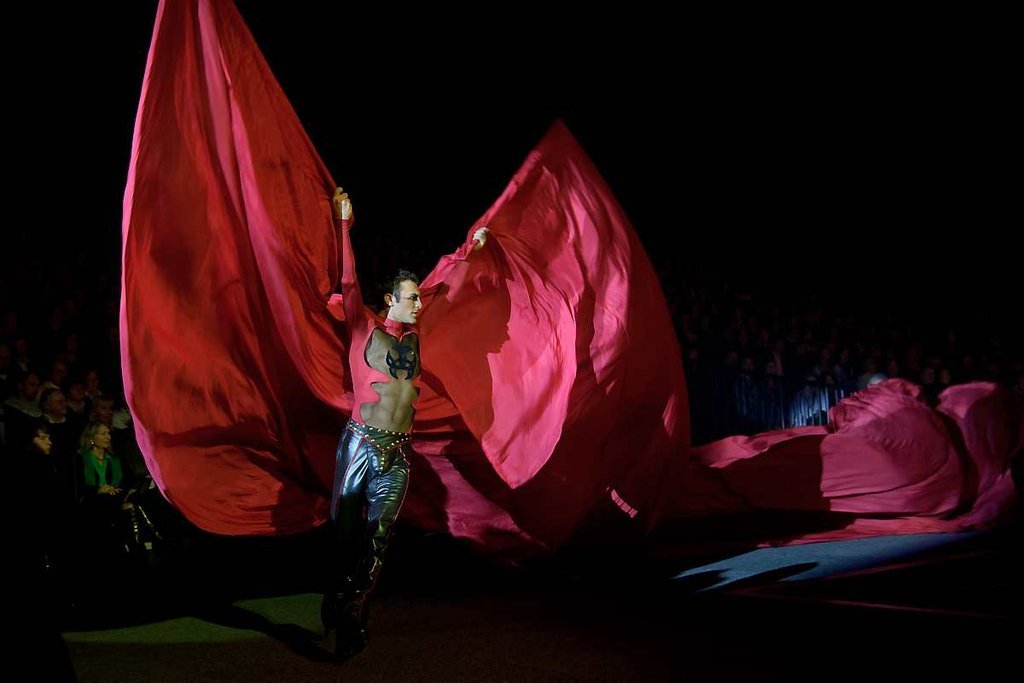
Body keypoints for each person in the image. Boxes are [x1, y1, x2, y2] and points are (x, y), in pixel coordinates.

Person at [323, 187, 487, 658]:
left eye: (417, 298)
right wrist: (343, 224)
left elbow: (447, 286)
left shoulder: (415, 334)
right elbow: (348, 278)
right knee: (345, 539)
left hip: (397, 452)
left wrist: (472, 249)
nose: (417, 304)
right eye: (410, 299)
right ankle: (339, 596)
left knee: (377, 540)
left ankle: (353, 615)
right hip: (358, 445)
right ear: (389, 300)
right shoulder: (362, 325)